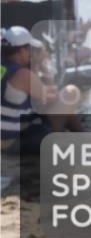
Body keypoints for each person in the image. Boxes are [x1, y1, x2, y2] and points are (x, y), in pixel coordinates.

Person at [1, 26, 81, 155]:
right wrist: (45, 66)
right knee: (70, 93)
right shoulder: (22, 74)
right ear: (22, 51)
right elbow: (53, 98)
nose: (31, 53)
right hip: (10, 143)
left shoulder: (4, 68)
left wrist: (35, 68)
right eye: (30, 49)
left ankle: (84, 138)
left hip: (8, 134)